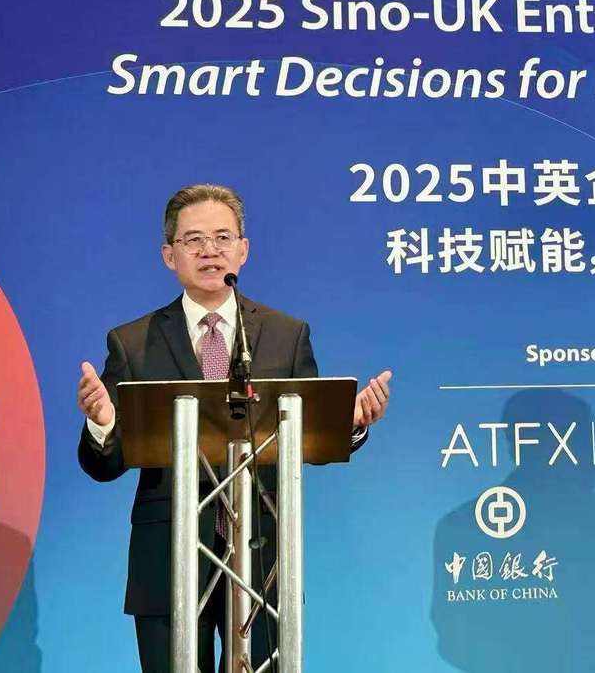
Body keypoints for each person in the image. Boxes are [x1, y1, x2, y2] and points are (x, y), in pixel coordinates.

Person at [75, 183, 391, 673]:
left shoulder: (287, 335)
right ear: (169, 255)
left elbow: (310, 442)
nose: (210, 250)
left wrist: (345, 425)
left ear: (243, 249)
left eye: (223, 237)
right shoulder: (132, 342)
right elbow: (106, 465)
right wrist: (103, 425)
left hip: (262, 556)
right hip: (168, 561)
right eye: (194, 239)